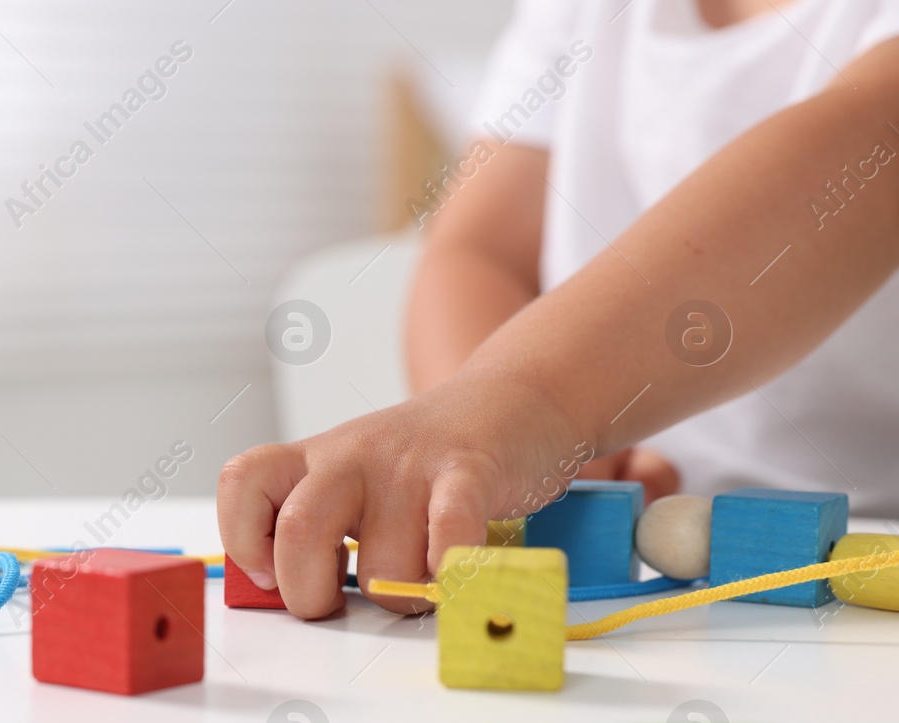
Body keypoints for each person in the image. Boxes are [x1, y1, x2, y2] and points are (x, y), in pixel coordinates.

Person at [218, 0, 899, 618]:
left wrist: (523, 398)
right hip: (639, 555)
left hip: (863, 564)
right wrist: (482, 454)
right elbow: (478, 249)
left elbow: (865, 148)